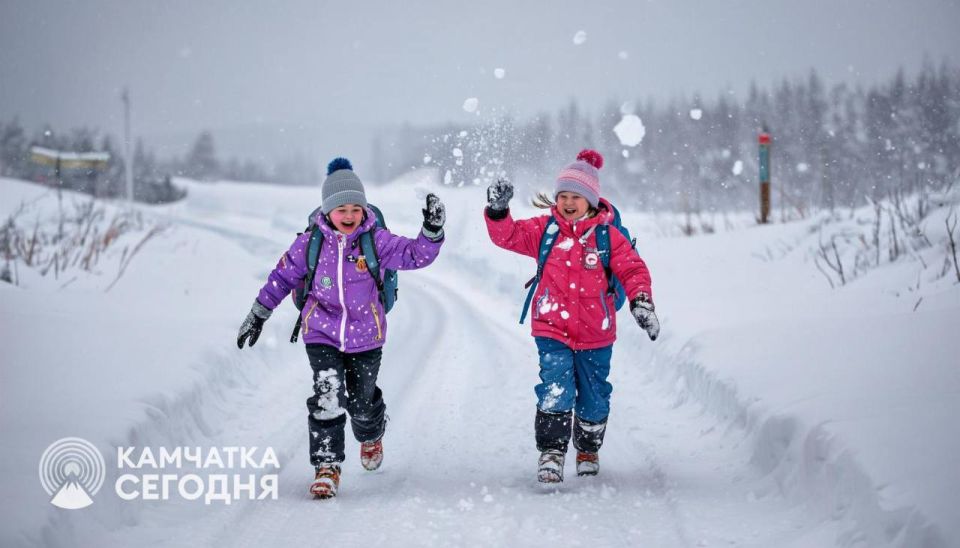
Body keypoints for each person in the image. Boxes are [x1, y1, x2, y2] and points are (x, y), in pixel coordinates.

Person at [237, 157, 446, 499]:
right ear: (326, 211)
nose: (349, 216)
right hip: (321, 333)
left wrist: (432, 232)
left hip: (367, 336)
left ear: (364, 209)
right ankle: (326, 465)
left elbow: (414, 255)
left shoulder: (375, 240)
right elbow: (281, 277)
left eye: (355, 208)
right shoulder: (309, 244)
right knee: (328, 394)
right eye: (341, 209)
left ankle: (371, 433)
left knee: (362, 404)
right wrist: (259, 313)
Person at [483, 149, 660, 483]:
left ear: (591, 200)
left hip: (597, 332)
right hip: (552, 327)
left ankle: (588, 447)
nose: (567, 201)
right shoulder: (545, 230)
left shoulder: (608, 236)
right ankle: (551, 451)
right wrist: (497, 211)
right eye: (562, 195)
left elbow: (633, 269)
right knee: (555, 387)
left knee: (595, 396)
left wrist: (641, 301)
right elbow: (507, 236)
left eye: (575, 196)